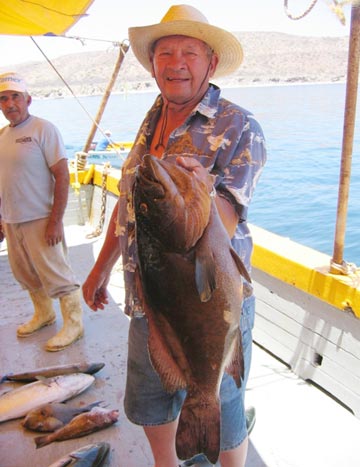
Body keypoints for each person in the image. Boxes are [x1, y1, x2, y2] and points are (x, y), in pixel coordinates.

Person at [82, 5, 266, 467]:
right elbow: (128, 206)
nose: (175, 63)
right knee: (148, 400)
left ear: (212, 63)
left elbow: (222, 222)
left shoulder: (240, 127)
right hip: (150, 297)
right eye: (165, 53)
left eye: (189, 52)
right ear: (152, 64)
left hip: (213, 302)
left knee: (222, 403)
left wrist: (199, 190)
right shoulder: (151, 119)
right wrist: (101, 268)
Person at [0, 72, 84, 352]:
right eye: (3, 98)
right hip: (12, 220)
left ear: (28, 100)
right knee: (24, 273)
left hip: (40, 218)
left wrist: (55, 221)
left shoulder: (43, 129)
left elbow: (62, 176)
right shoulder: (2, 135)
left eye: (15, 97)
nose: (10, 103)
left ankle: (74, 323)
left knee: (57, 274)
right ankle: (44, 314)